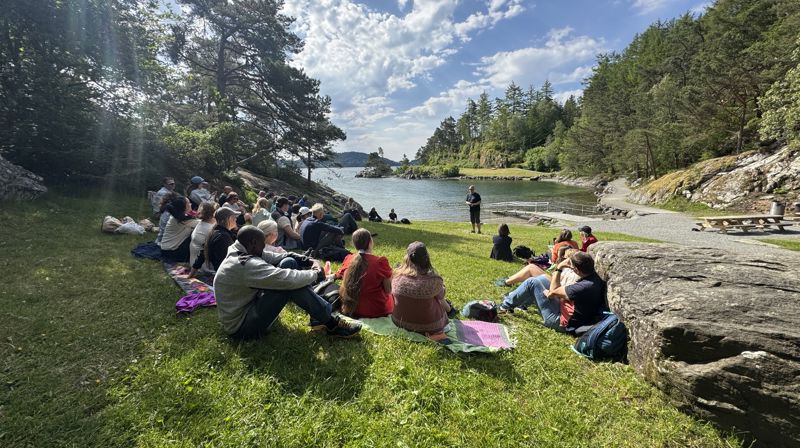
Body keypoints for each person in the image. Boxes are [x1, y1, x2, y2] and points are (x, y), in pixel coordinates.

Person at [213, 226, 362, 339]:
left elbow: (279, 256)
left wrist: (308, 260)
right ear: (253, 243)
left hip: (248, 309)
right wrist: (316, 274)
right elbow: (286, 279)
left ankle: (320, 317)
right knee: (288, 285)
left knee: (288, 262)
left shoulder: (240, 249)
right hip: (242, 328)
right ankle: (330, 323)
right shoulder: (245, 265)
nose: (263, 250)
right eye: (262, 246)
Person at [498, 252, 608, 333]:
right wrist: (551, 293)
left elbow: (553, 291)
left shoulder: (582, 287)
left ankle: (504, 306)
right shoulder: (594, 278)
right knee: (541, 279)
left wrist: (559, 267)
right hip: (570, 312)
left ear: (577, 270)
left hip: (560, 322)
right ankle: (519, 302)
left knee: (532, 282)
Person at [391, 242, 453, 336]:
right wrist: (449, 309)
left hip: (399, 321)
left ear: (408, 258)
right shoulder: (434, 280)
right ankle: (450, 309)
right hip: (429, 327)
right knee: (439, 299)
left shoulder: (397, 276)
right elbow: (442, 295)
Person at [336, 229, 393, 318]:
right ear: (370, 242)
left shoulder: (349, 259)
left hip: (351, 309)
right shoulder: (380, 262)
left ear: (354, 244)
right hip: (376, 310)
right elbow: (388, 290)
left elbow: (339, 274)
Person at [191, 207, 239, 274]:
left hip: (219, 273)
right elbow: (223, 262)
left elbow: (202, 253)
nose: (236, 219)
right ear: (230, 218)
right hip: (223, 275)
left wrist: (192, 273)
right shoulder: (223, 237)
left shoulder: (214, 231)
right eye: (235, 217)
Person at [158, 196, 199, 262]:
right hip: (171, 251)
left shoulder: (178, 216)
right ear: (183, 207)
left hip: (166, 249)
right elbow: (202, 224)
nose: (191, 204)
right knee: (197, 236)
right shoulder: (181, 220)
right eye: (188, 203)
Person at [188, 201, 217, 274]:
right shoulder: (212, 229)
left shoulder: (200, 223)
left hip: (193, 263)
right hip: (202, 267)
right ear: (214, 213)